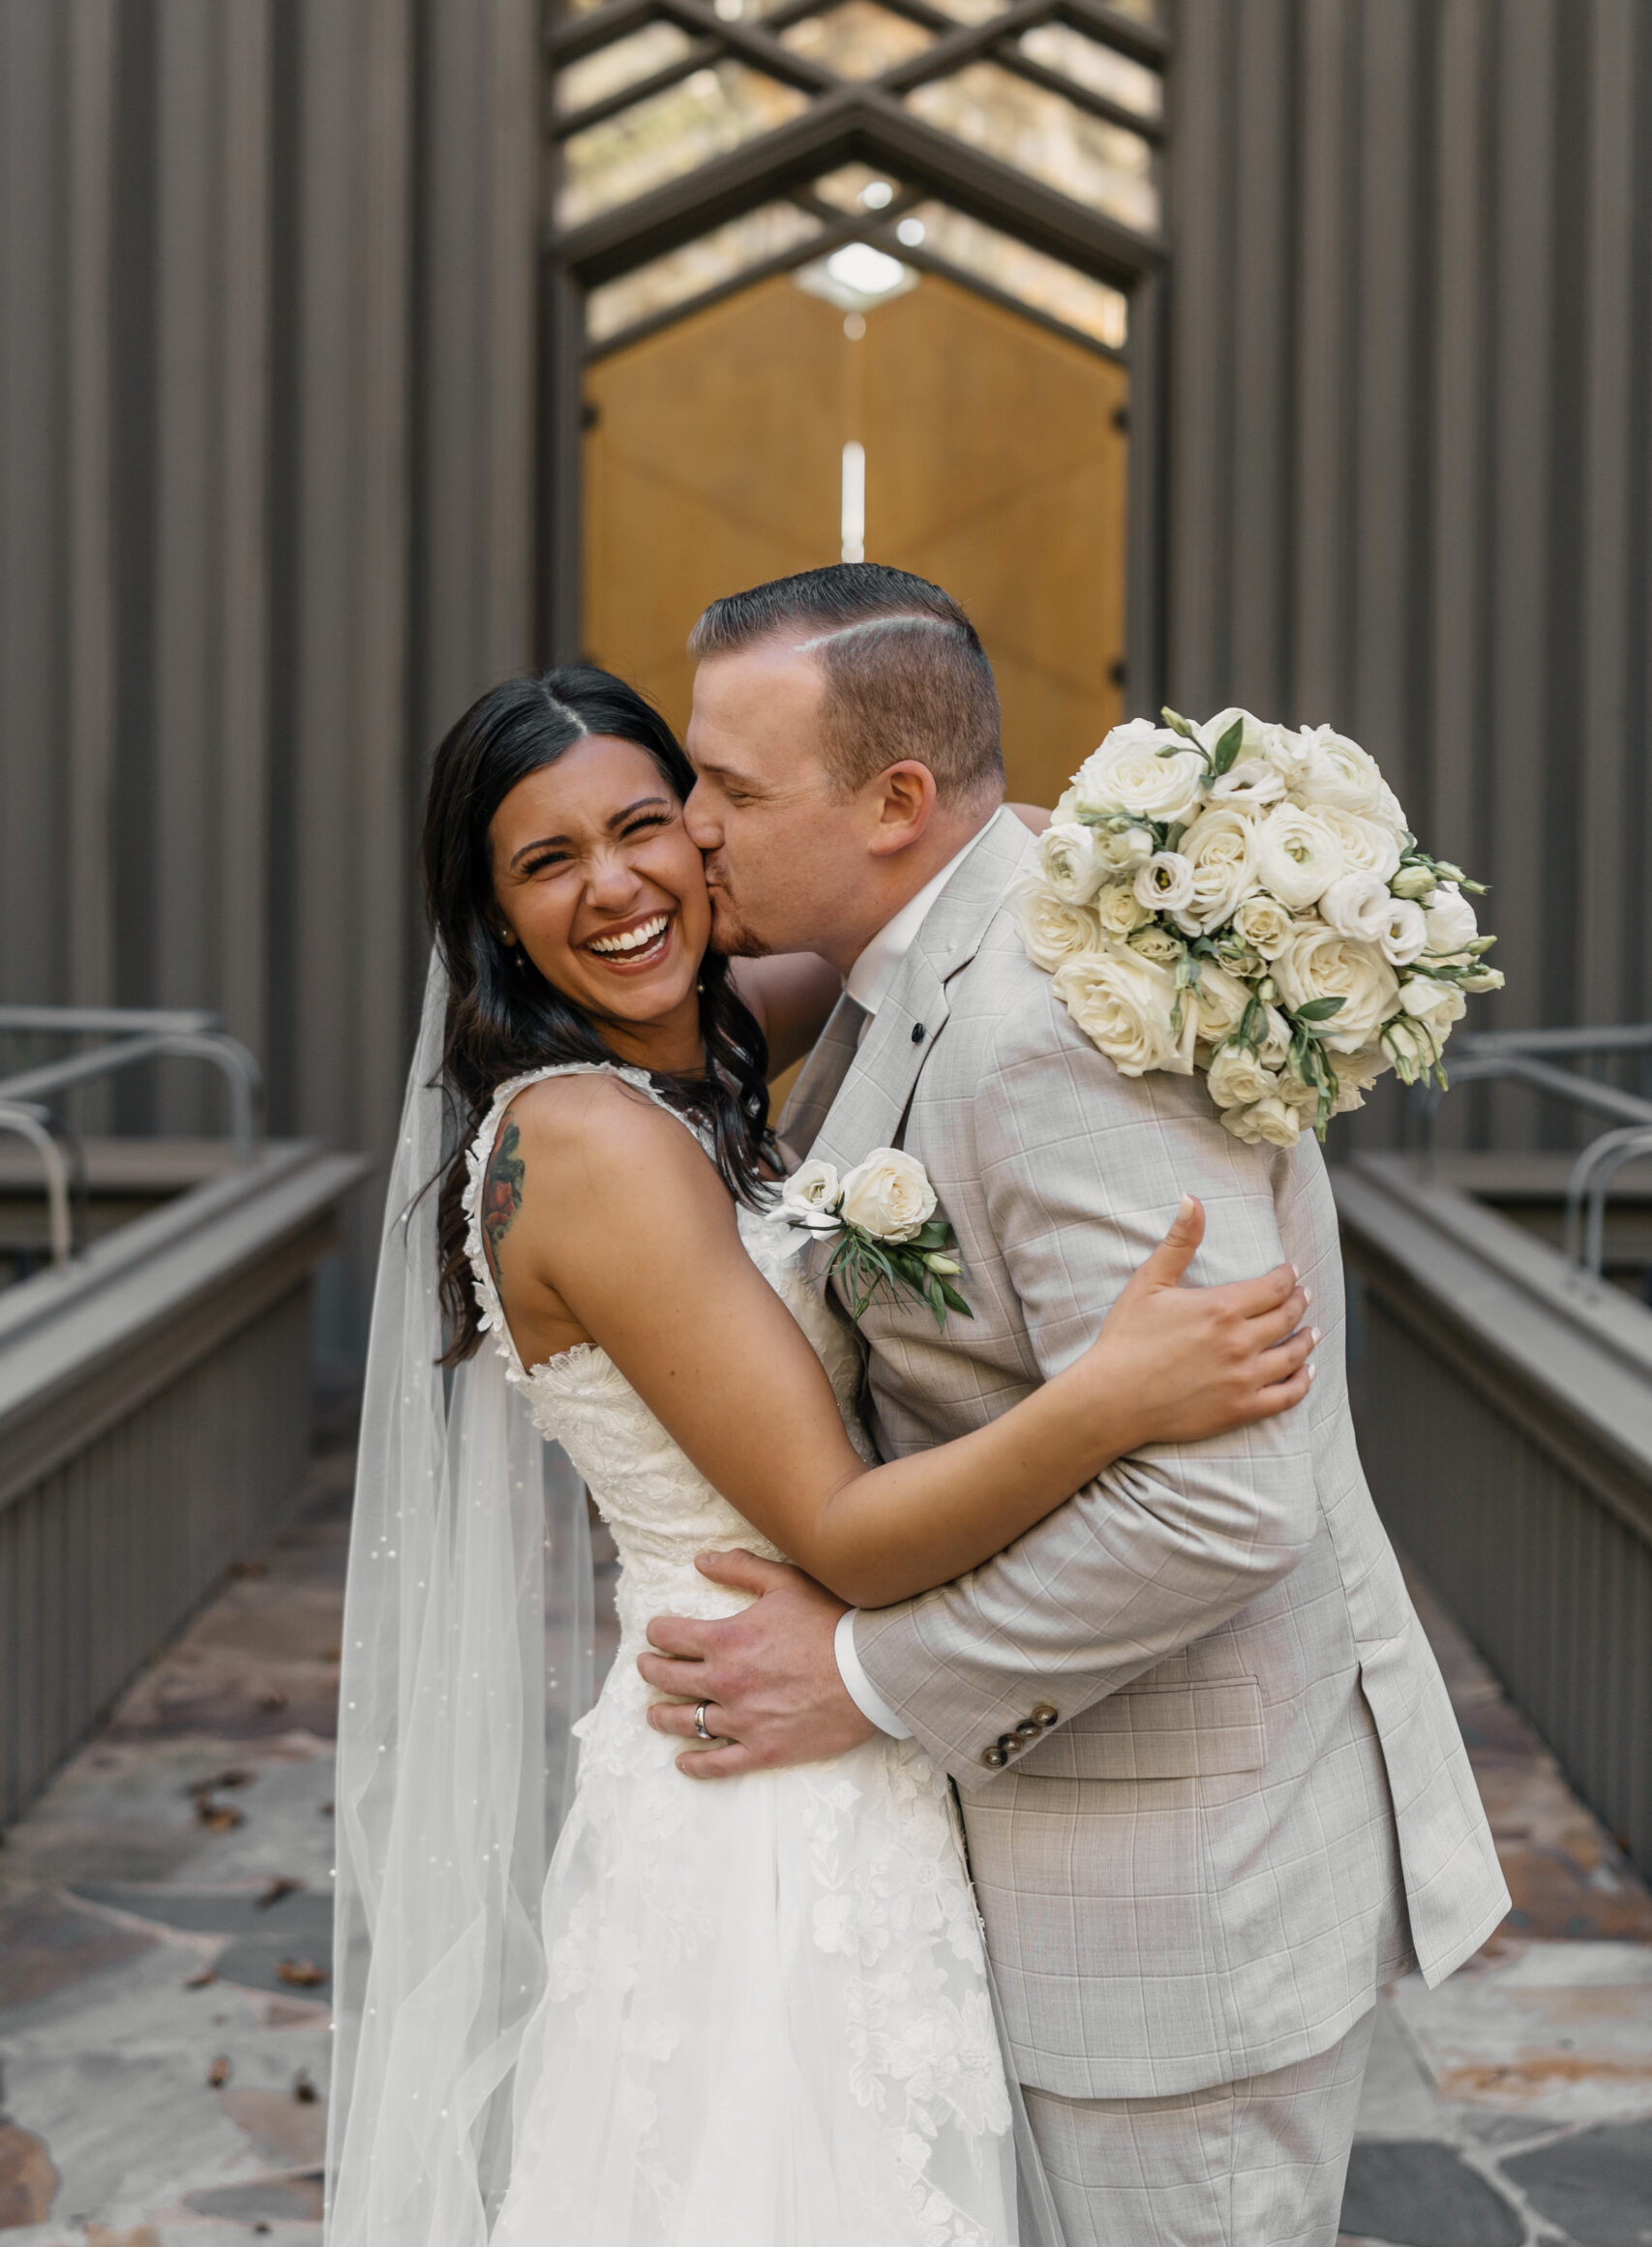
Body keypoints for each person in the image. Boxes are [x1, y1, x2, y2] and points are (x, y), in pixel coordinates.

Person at [326, 660, 1317, 2246]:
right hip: (761, 1786)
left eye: (652, 823)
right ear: (495, 917)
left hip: (806, 1748)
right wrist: (1110, 1396)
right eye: (548, 861)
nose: (620, 885)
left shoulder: (696, 1047)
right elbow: (846, 1534)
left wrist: (1216, 869)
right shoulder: (588, 1148)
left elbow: (918, 924)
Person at [634, 564, 1511, 2247]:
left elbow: (1222, 1503)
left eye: (731, 789)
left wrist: (867, 1675)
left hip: (1175, 1921)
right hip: (1064, 1870)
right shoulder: (947, 945)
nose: (692, 830)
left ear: (897, 803)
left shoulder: (1045, 1031)